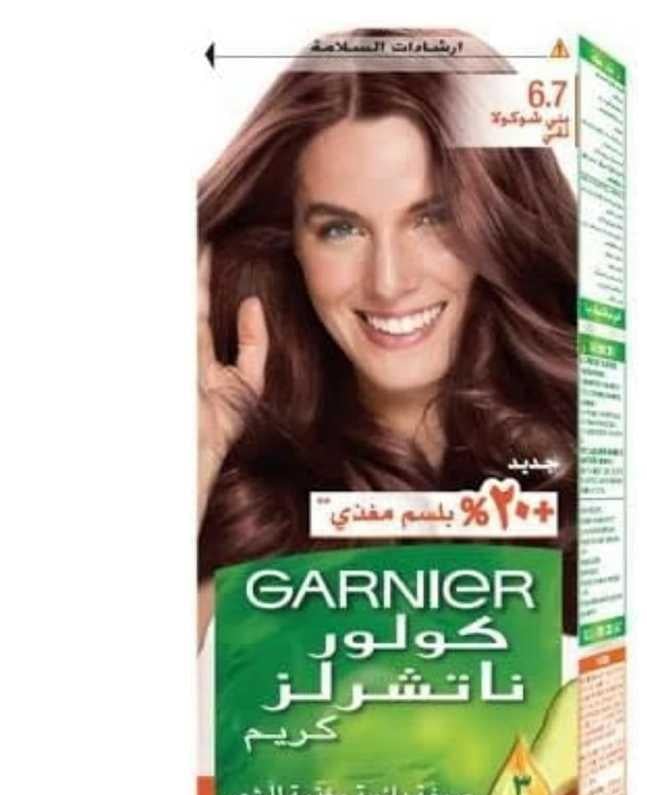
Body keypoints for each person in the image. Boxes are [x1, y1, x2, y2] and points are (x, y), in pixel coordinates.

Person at [197, 29, 577, 646]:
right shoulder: (247, 503)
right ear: (291, 245)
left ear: (499, 223)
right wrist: (200, 460)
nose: (389, 282)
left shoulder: (587, 469)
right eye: (341, 229)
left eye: (432, 219)